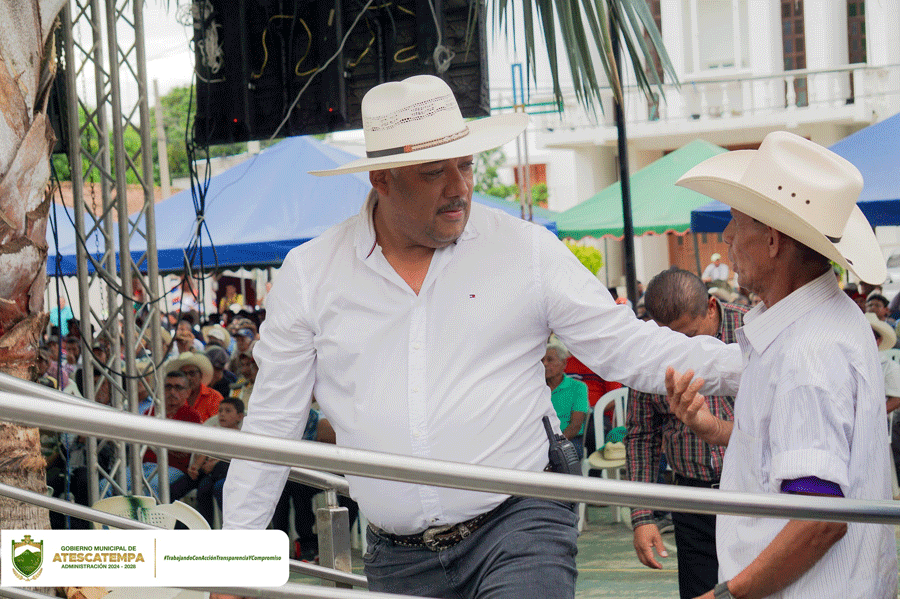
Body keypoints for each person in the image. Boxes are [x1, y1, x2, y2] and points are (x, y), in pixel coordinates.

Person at [215, 75, 741, 599]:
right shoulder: (311, 273)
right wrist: (230, 570)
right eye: (433, 172)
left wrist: (756, 364)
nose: (459, 187)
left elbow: (629, 346)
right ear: (381, 179)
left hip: (521, 522)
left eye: (465, 165)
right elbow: (272, 425)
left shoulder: (524, 249)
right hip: (395, 555)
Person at [669, 131, 896, 599]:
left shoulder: (808, 352)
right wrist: (719, 431)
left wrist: (728, 594)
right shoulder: (822, 323)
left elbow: (819, 519)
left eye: (736, 222)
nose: (727, 237)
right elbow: (794, 459)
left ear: (772, 240)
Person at [625, 267, 747, 599]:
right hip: (693, 500)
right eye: (673, 342)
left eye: (691, 336)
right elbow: (642, 435)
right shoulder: (650, 351)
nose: (684, 350)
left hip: (752, 491)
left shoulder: (753, 330)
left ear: (711, 307)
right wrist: (642, 516)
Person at [190, 397, 245, 525]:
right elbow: (206, 452)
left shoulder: (241, 435)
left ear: (239, 417)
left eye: (228, 411)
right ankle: (206, 526)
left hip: (230, 473)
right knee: (203, 487)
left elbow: (237, 459)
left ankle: (232, 524)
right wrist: (196, 466)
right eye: (220, 411)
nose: (222, 414)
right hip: (212, 473)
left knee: (219, 481)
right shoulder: (216, 432)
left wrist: (215, 464)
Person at [542, 338, 589, 459]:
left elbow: (575, 425)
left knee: (562, 457)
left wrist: (557, 445)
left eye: (550, 360)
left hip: (569, 439)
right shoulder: (538, 388)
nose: (545, 364)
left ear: (564, 363)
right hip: (541, 441)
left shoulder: (578, 387)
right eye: (542, 360)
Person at [166, 352, 223, 422]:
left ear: (201, 375)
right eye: (183, 374)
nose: (188, 377)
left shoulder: (214, 397)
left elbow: (218, 423)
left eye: (192, 373)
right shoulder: (172, 395)